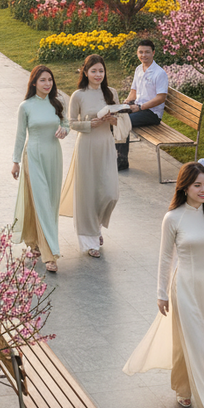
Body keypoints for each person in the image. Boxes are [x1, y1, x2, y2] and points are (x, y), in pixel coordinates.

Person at [123, 162, 204, 408]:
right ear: (184, 187)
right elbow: (165, 257)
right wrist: (161, 293)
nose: (203, 189)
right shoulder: (173, 218)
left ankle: (184, 387)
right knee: (197, 345)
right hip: (184, 285)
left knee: (202, 342)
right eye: (197, 184)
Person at [59, 54, 120, 258]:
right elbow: (70, 122)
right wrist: (88, 124)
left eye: (101, 71)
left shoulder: (112, 93)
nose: (98, 74)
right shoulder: (78, 95)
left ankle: (97, 225)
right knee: (87, 193)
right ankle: (91, 240)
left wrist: (113, 121)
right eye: (93, 71)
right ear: (85, 72)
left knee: (110, 193)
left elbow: (121, 122)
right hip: (86, 147)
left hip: (106, 146)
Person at [11, 66, 69, 274]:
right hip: (33, 157)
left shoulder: (57, 103)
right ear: (34, 82)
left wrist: (65, 130)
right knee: (42, 201)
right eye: (43, 80)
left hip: (54, 157)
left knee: (50, 204)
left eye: (50, 80)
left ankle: (35, 241)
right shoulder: (25, 106)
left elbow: (66, 123)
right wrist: (15, 161)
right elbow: (20, 136)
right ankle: (50, 254)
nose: (47, 84)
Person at [118, 39, 169, 170]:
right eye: (140, 52)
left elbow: (161, 98)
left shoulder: (159, 73)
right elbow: (134, 91)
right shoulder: (139, 69)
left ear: (153, 53)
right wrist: (127, 102)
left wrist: (139, 107)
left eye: (147, 52)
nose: (143, 55)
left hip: (151, 113)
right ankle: (114, 156)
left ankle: (121, 162)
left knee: (123, 122)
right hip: (139, 108)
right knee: (114, 117)